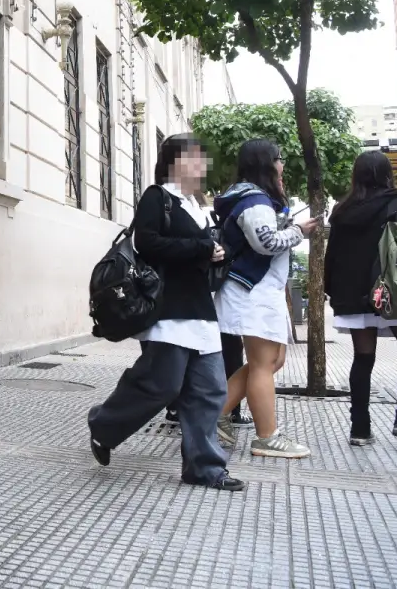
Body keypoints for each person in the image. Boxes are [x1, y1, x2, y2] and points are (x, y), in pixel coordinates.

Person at [88, 135, 246, 492]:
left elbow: (198, 251)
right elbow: (146, 242)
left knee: (209, 391)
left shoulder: (196, 205)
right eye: (195, 159)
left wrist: (216, 252)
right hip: (168, 309)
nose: (202, 166)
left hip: (201, 310)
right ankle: (103, 425)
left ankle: (204, 468)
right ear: (176, 162)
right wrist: (201, 247)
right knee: (161, 385)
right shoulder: (158, 197)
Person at [214, 139, 320, 458]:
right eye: (279, 159)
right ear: (266, 163)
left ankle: (215, 415)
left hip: (257, 291)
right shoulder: (255, 200)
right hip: (252, 291)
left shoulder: (252, 197)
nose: (282, 165)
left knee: (273, 361)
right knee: (263, 364)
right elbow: (266, 243)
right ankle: (266, 437)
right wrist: (298, 231)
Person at [325, 150, 397, 446]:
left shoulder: (342, 210)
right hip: (394, 292)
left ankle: (360, 429)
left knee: (363, 358)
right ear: (386, 173)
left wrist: (333, 291)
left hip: (354, 295)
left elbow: (333, 256)